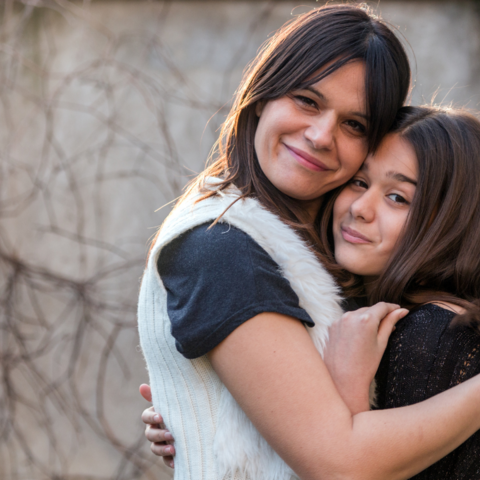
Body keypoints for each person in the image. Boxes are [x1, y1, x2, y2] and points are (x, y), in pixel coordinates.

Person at [137, 4, 480, 480]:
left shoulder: (326, 254)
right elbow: (339, 462)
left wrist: (210, 417)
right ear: (262, 96)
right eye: (307, 100)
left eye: (355, 125)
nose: (321, 136)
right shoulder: (223, 247)